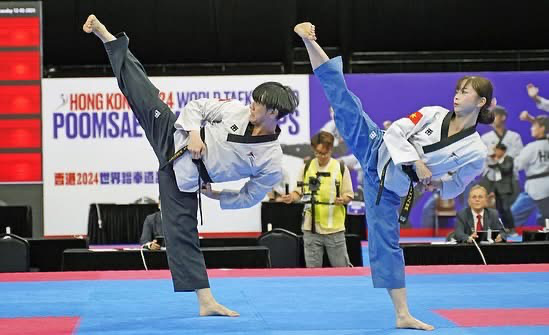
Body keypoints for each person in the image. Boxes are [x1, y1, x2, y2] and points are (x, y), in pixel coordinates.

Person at [83, 15, 298, 317]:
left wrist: (218, 196)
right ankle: (109, 38)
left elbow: (251, 195)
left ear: (273, 112)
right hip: (173, 137)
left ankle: (206, 301)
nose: (251, 105)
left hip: (184, 180)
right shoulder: (235, 111)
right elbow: (197, 106)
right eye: (252, 100)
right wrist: (195, 133)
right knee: (141, 92)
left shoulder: (272, 161)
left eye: (258, 104)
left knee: (182, 234)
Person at [295, 22, 495, 331]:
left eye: (465, 92)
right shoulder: (433, 112)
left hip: (387, 188)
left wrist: (437, 183)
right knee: (345, 100)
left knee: (386, 244)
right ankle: (308, 40)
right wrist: (417, 162)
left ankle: (402, 314)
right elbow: (398, 131)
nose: (457, 96)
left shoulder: (476, 151)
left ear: (480, 102)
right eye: (457, 90)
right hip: (375, 145)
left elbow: (459, 182)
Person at [281, 131, 354, 267]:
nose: (320, 156)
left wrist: (342, 199)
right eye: (317, 153)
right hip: (311, 228)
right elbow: (299, 191)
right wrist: (291, 197)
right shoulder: (307, 167)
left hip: (334, 229)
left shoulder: (341, 168)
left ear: (331, 149)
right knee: (313, 272)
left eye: (324, 153)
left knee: (342, 271)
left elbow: (349, 194)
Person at [514, 115, 549, 221]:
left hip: (536, 187)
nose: (531, 128)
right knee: (544, 218)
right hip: (547, 185)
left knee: (512, 217)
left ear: (542, 128)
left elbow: (517, 165)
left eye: (534, 126)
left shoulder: (532, 147)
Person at [479, 143, 516, 231]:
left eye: (497, 150)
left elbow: (506, 169)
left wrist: (496, 161)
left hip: (505, 189)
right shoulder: (497, 161)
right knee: (500, 209)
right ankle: (505, 228)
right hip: (497, 189)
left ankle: (511, 228)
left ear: (502, 151)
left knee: (506, 208)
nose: (495, 152)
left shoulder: (509, 159)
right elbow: (492, 169)